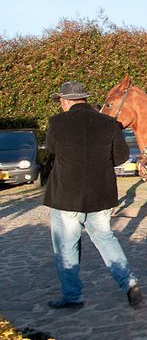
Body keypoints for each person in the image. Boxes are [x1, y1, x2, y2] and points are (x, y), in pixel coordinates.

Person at [44, 81, 142, 309]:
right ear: (84, 99)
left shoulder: (58, 123)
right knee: (105, 238)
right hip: (100, 194)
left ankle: (73, 296)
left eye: (60, 101)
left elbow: (51, 149)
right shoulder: (109, 123)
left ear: (66, 101)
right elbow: (120, 157)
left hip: (67, 196)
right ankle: (129, 283)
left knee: (66, 246)